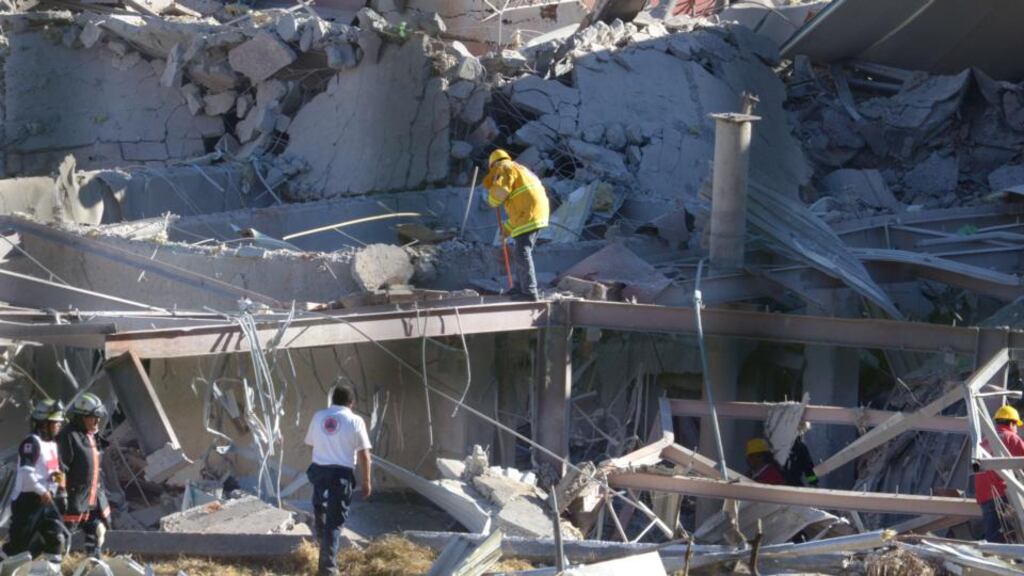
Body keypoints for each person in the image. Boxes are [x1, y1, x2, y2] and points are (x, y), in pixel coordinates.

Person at [305, 385, 372, 576]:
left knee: (322, 514)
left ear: (332, 400)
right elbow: (364, 456)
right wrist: (366, 481)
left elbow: (311, 445)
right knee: (334, 522)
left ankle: (324, 554)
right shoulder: (355, 420)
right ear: (352, 403)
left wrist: (322, 461)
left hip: (319, 471)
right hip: (340, 476)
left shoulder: (319, 416)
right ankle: (328, 570)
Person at [2, 399, 69, 567]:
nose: (59, 425)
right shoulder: (31, 443)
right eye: (56, 422)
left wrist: (57, 485)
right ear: (43, 423)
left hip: (47, 501)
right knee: (18, 547)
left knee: (56, 539)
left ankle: (51, 570)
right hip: (28, 502)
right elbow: (26, 474)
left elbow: (53, 472)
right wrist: (42, 491)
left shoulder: (53, 445)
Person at [483, 149, 550, 302]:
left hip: (529, 213)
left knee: (522, 253)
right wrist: (506, 229)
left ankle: (529, 292)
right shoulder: (518, 168)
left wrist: (492, 200)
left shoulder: (503, 167)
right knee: (520, 252)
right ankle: (520, 287)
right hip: (534, 212)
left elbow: (501, 191)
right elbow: (518, 206)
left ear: (493, 164)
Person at [57, 393, 110, 559]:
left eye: (98, 418)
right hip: (73, 498)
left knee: (98, 530)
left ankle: (93, 563)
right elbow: (59, 468)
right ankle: (49, 567)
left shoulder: (91, 436)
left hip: (92, 498)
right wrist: (61, 493)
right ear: (81, 417)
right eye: (93, 417)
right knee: (60, 539)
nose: (97, 422)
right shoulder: (67, 436)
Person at [974, 404, 1024, 542]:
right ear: (1012, 423)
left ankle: (997, 558)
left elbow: (975, 468)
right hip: (1001, 493)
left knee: (994, 534)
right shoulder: (1010, 437)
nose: (1017, 429)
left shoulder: (983, 442)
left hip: (983, 494)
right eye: (1016, 425)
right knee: (1013, 534)